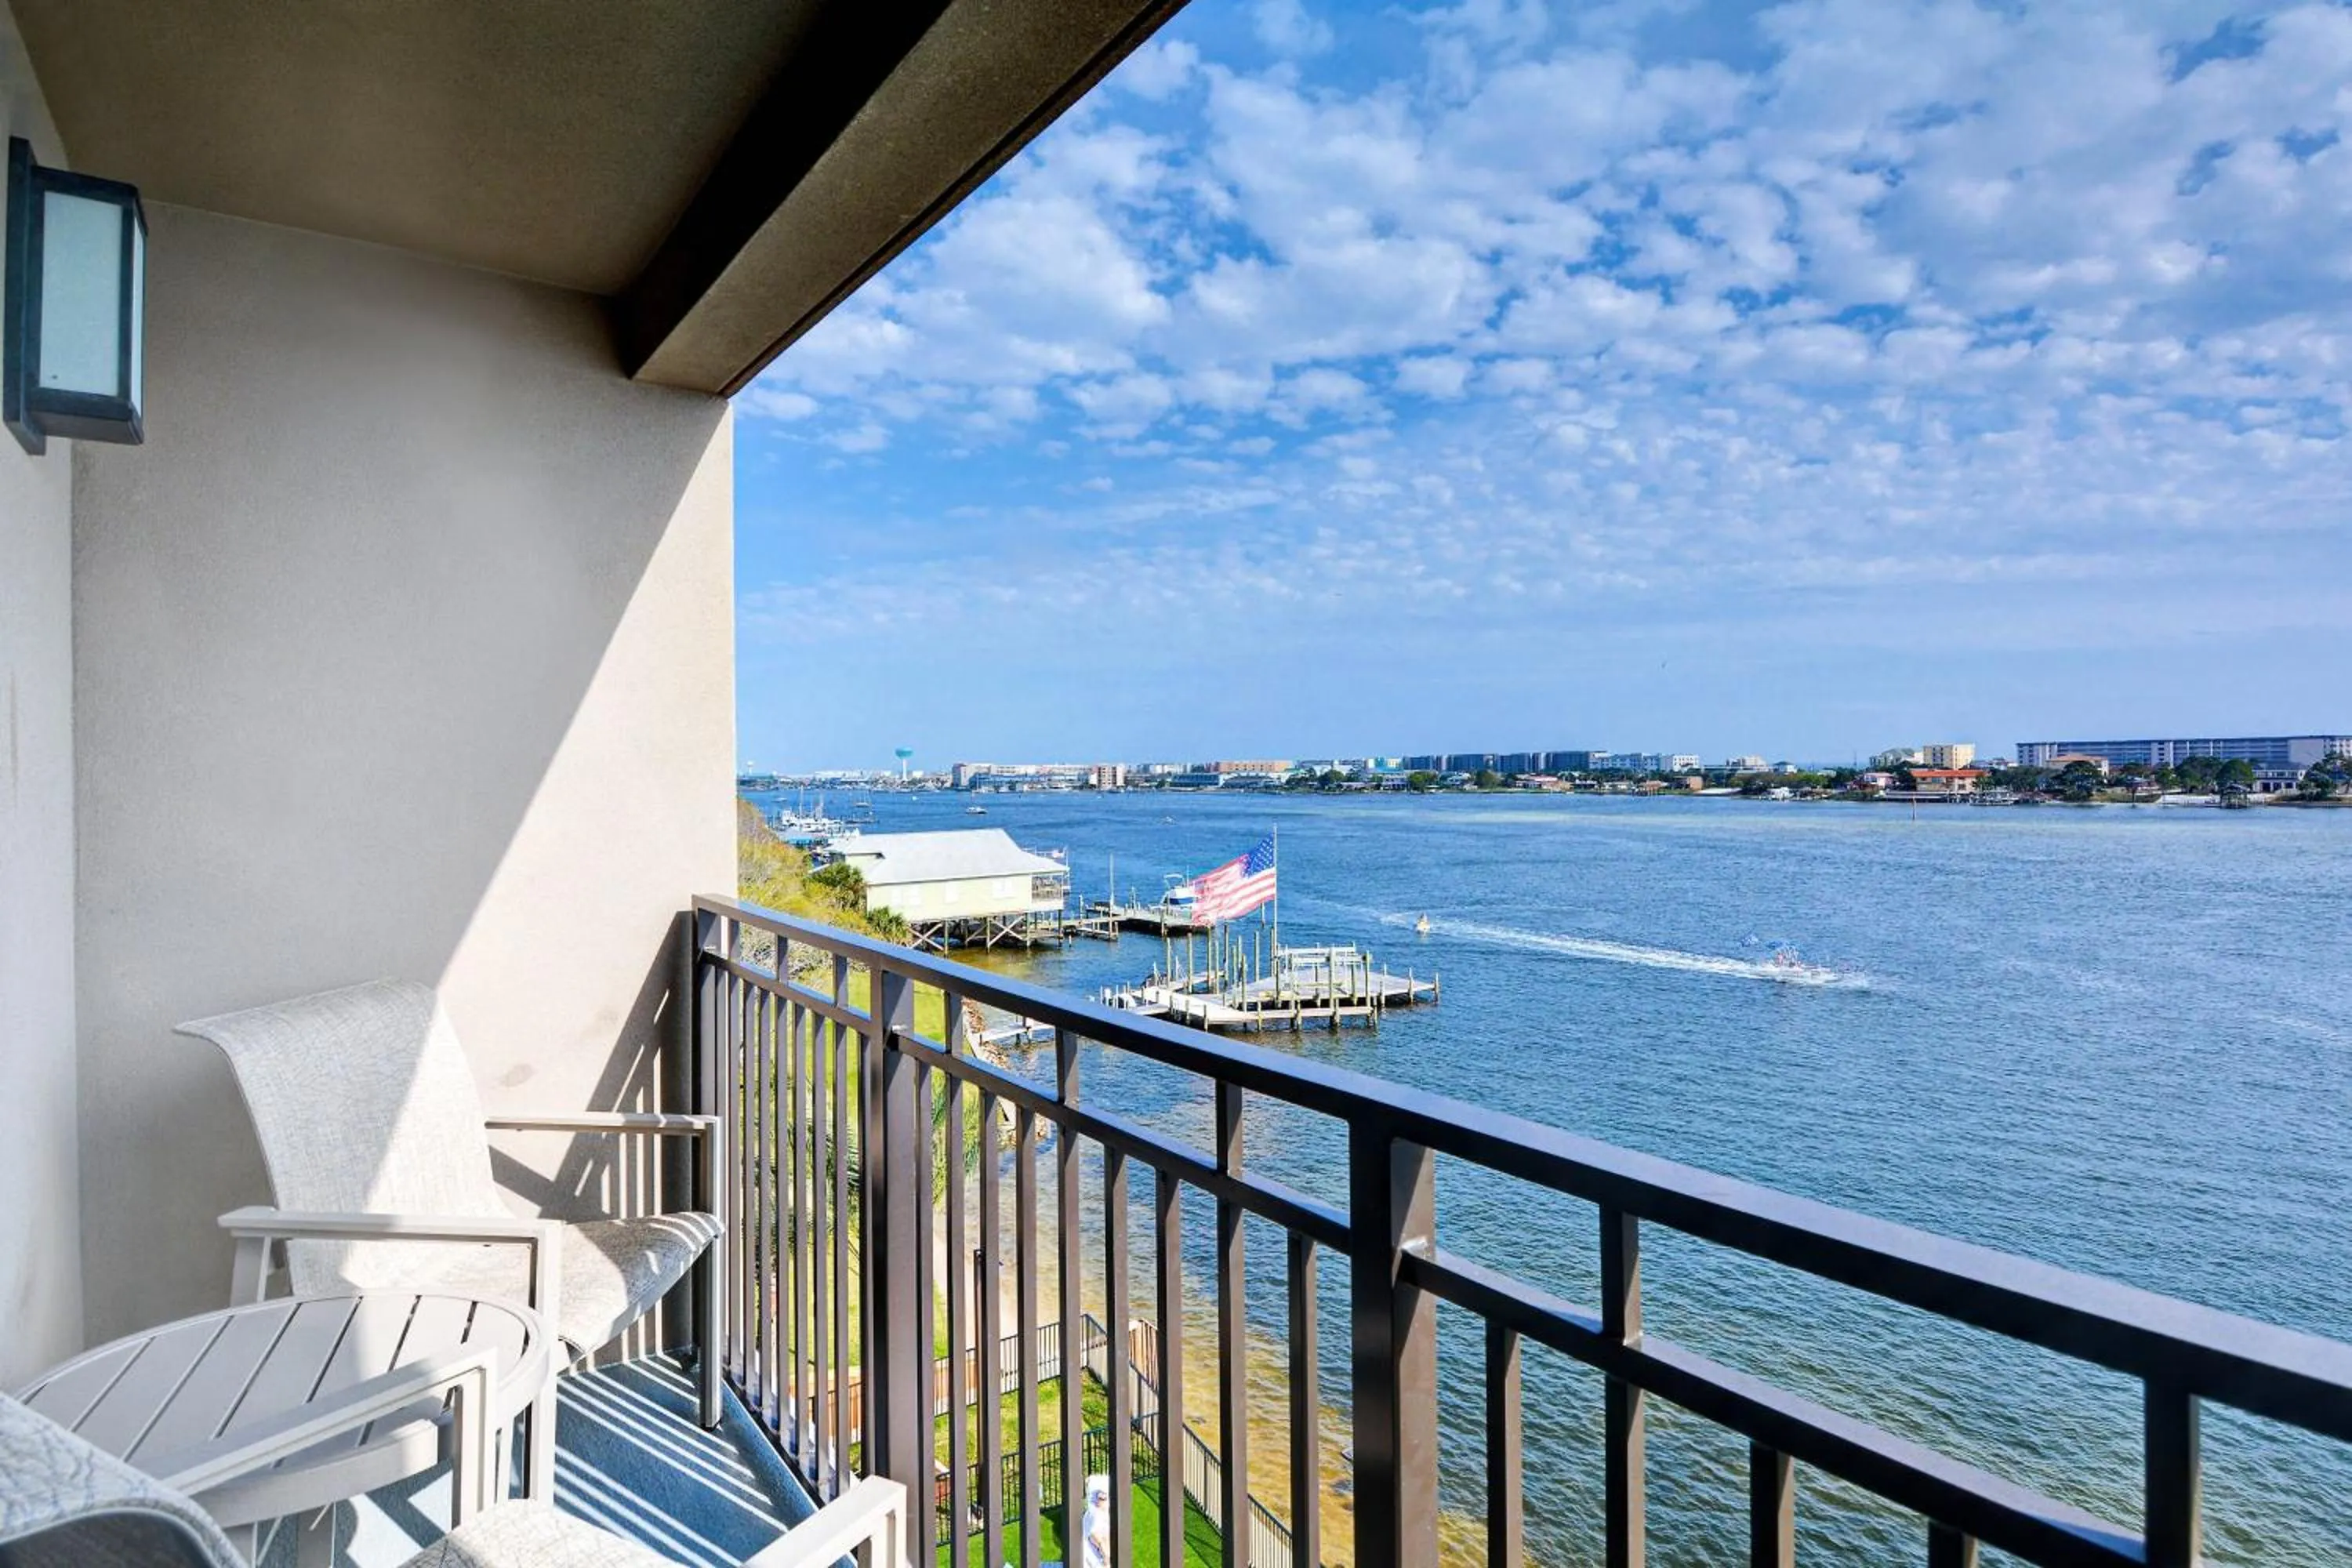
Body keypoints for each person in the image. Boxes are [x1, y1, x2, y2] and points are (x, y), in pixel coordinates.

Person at [1080, 1473, 1111, 1568]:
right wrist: (1105, 1554)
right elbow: (1094, 1535)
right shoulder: (1094, 1514)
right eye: (1100, 1498)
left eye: (1104, 1498)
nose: (1101, 1501)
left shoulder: (1107, 1514)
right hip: (1095, 1558)